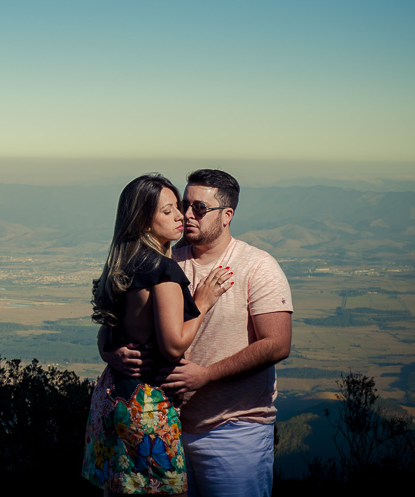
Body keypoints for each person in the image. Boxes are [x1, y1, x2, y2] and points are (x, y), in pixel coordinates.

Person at [101, 169, 293, 497]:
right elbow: (115, 321)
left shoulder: (258, 267)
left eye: (199, 208)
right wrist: (109, 351)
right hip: (163, 426)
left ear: (226, 216)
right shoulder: (164, 260)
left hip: (232, 430)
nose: (186, 214)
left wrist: (206, 376)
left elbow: (277, 344)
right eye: (183, 205)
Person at [82, 174, 233, 495]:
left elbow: (110, 329)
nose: (181, 215)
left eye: (177, 207)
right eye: (167, 211)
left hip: (111, 398)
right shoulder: (162, 271)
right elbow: (172, 345)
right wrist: (203, 302)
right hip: (146, 406)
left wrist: (107, 350)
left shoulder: (124, 265)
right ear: (143, 222)